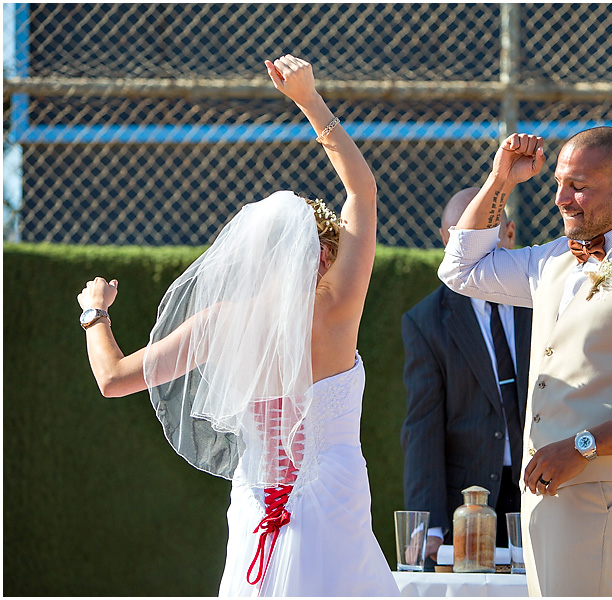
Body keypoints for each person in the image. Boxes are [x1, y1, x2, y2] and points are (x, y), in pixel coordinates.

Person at [76, 54, 399, 597]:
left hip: (256, 502)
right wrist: (307, 99)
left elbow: (113, 380)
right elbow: (362, 192)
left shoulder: (222, 322)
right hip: (335, 502)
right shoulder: (338, 307)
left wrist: (95, 311)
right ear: (324, 254)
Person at [438, 129, 612, 596]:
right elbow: (461, 269)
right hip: (547, 496)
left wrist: (583, 446)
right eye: (560, 183)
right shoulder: (551, 260)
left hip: (607, 496)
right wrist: (500, 178)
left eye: (579, 186)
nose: (562, 199)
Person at [400, 188, 532, 568]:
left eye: (485, 239)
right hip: (470, 499)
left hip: (542, 483)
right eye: (462, 240)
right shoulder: (427, 321)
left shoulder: (542, 299)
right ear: (447, 241)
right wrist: (430, 525)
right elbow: (422, 426)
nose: (474, 254)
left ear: (508, 234)